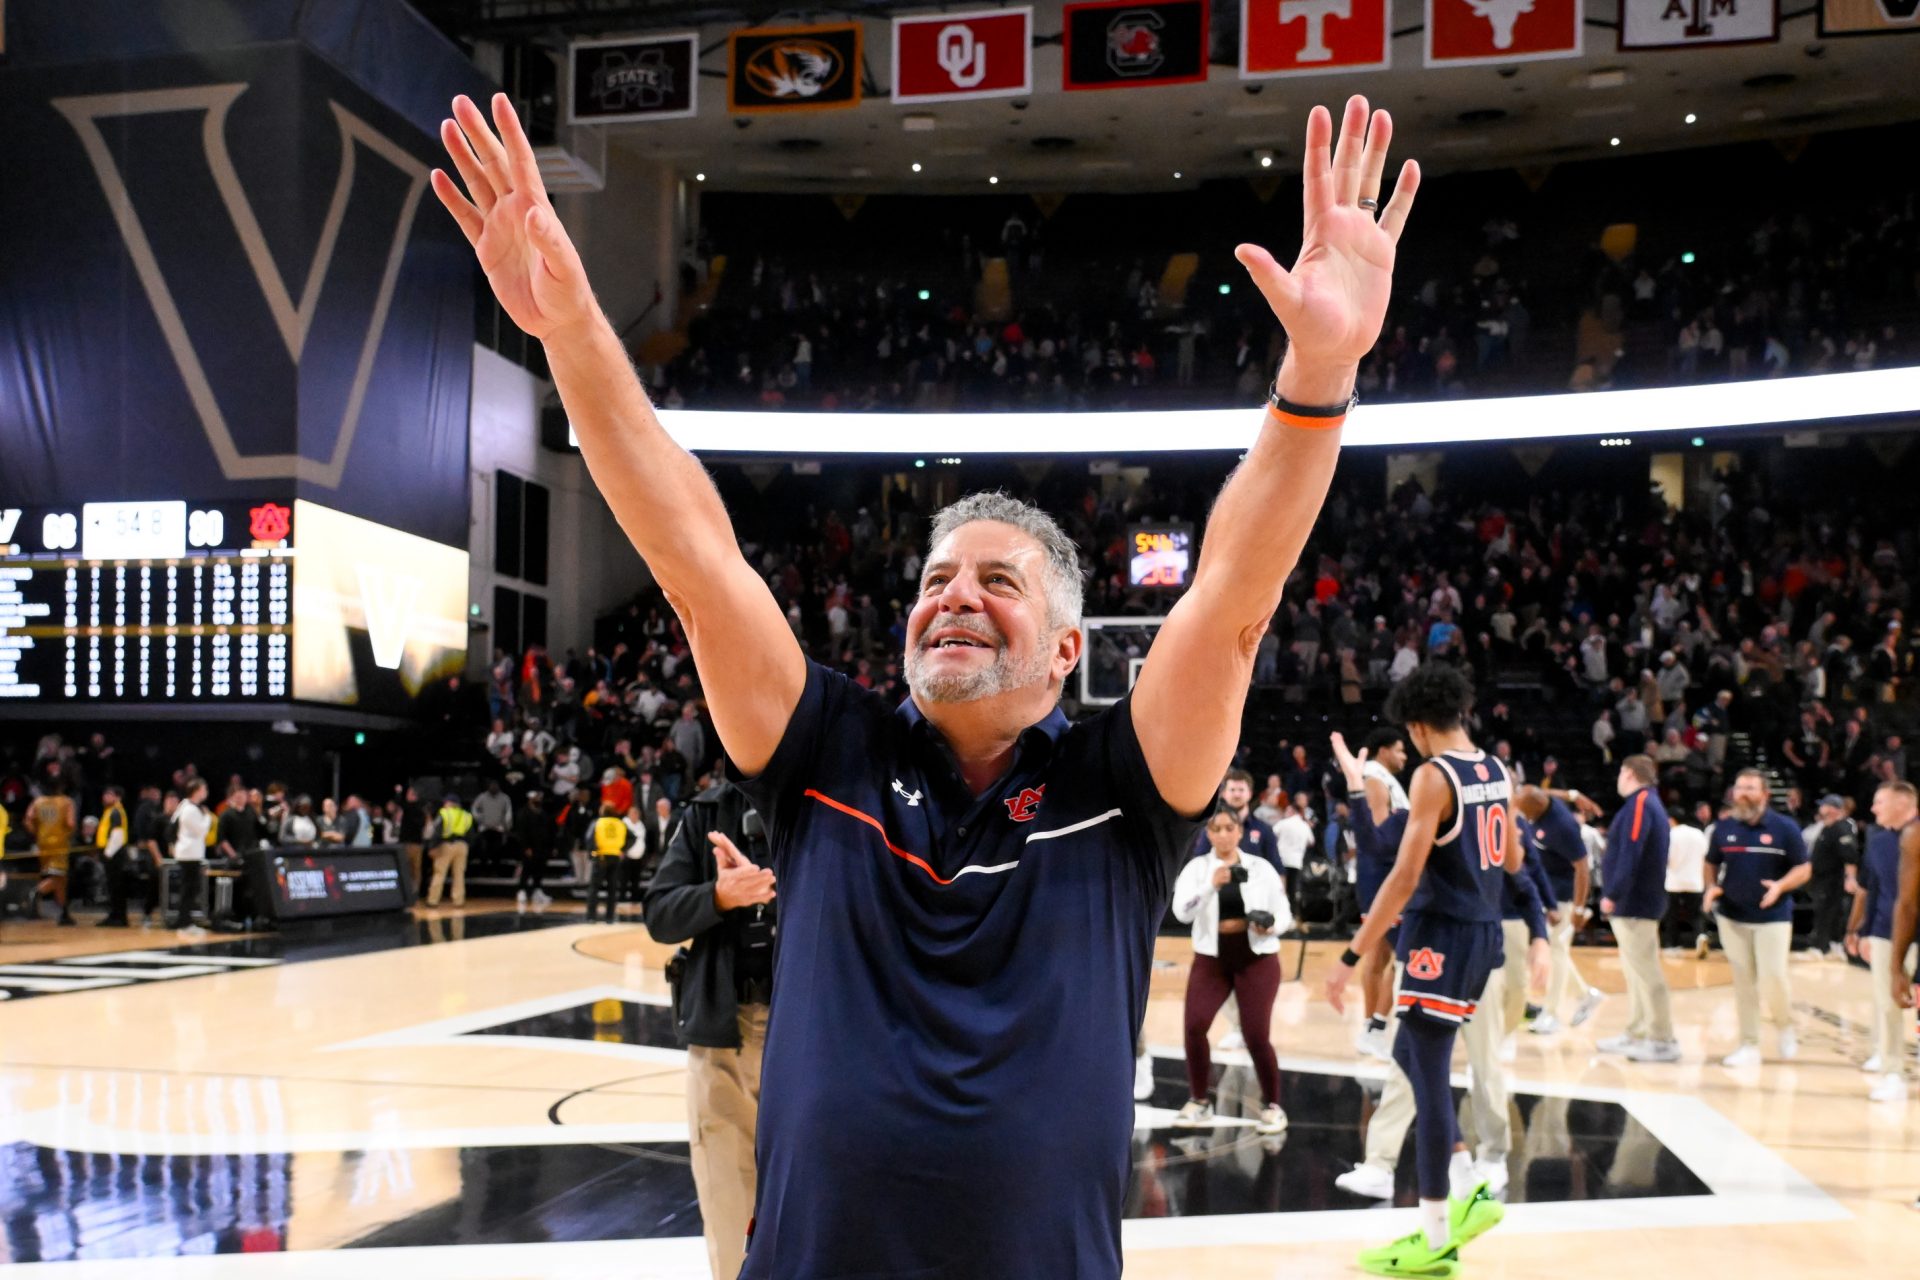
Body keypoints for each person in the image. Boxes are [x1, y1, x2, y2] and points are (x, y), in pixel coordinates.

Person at [435, 86, 1418, 1278]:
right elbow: (694, 558)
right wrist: (574, 329)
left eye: (999, 579)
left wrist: (1317, 375)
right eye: (937, 575)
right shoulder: (827, 749)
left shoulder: (1124, 785)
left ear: (1069, 650)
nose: (954, 592)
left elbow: (1235, 598)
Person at [1325, 664, 1547, 1277]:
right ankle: (1467, 1180)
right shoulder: (1496, 770)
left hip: (1439, 937)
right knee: (1414, 1060)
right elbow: (1508, 858)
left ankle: (1437, 1233)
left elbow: (1402, 877)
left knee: (1425, 1074)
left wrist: (1351, 956)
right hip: (1481, 932)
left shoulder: (1432, 775)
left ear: (1418, 726)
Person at [643, 781, 778, 1280]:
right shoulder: (706, 813)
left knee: (829, 1209)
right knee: (729, 1211)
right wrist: (719, 896)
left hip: (818, 1035)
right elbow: (659, 914)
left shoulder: (834, 801)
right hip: (727, 1031)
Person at [1169, 808, 1290, 1134]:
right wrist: (1211, 885)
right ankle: (1199, 1101)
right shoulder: (1197, 869)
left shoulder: (1261, 868)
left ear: (1239, 832)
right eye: (1215, 829)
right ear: (1207, 834)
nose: (1222, 834)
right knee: (1194, 1025)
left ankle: (1273, 1105)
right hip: (1212, 959)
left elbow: (1284, 914)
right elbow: (1182, 913)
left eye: (1228, 828)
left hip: (1256, 958)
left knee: (1255, 1035)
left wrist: (1271, 926)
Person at [1704, 768, 1812, 1067]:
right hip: (1732, 916)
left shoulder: (1785, 828)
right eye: (1739, 788)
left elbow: (1803, 869)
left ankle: (1784, 1026)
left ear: (1764, 794)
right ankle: (1748, 1043)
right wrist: (1711, 887)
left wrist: (1780, 886)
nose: (1742, 793)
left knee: (1773, 977)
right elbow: (1711, 861)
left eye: (1750, 788)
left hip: (1773, 917)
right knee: (1743, 981)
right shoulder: (1723, 828)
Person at [1595, 756, 1678, 1062]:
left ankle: (1663, 1038)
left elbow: (1632, 850)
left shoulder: (1642, 804)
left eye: (1620, 771)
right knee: (1635, 972)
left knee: (1646, 972)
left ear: (1629, 773)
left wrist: (1613, 893)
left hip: (1635, 902)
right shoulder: (1644, 803)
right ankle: (1637, 1030)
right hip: (1635, 902)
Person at [1514, 784, 1605, 1035]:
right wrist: (1575, 794)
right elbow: (1545, 792)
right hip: (1548, 893)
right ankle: (1587, 995)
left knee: (1557, 952)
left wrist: (1578, 908)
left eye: (1526, 813)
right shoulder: (1538, 800)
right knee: (1555, 950)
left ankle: (1552, 1013)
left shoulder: (1563, 827)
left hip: (1564, 896)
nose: (1525, 818)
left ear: (1536, 808)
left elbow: (1583, 868)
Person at [1847, 780, 1917, 1103]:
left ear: (1903, 804)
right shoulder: (1876, 841)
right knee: (1887, 1006)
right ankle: (1893, 1072)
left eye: (1879, 802)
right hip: (1887, 933)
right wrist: (1864, 931)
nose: (1873, 809)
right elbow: (1872, 890)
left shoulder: (1914, 837)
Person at [1350, 726, 1410, 1060]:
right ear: (1383, 750)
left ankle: (1370, 1029)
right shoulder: (1375, 778)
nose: (1404, 756)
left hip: (1378, 878)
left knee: (1379, 956)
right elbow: (1380, 837)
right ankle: (1377, 1025)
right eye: (1399, 750)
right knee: (1399, 957)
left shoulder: (1380, 778)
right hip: (1382, 879)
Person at [1807, 793, 1859, 960]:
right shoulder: (1828, 826)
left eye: (1823, 805)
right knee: (1827, 911)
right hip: (1822, 878)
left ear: (1832, 809)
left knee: (1827, 911)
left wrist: (1850, 878)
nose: (1820, 808)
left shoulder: (1841, 827)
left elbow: (1850, 856)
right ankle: (1830, 946)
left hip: (1832, 879)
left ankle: (1821, 947)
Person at [96, 786, 154, 927]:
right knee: (114, 887)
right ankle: (115, 914)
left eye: (109, 794)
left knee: (116, 887)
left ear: (117, 797)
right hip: (112, 853)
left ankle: (118, 917)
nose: (105, 797)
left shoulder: (116, 811)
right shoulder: (111, 811)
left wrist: (107, 854)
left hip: (114, 854)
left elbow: (117, 835)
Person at [26, 779, 78, 925]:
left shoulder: (38, 801)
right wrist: (69, 833)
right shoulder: (66, 802)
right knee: (57, 877)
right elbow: (70, 823)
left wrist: (37, 833)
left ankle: (64, 913)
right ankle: (36, 892)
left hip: (43, 844)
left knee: (61, 880)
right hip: (59, 844)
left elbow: (28, 819)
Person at [170, 778, 213, 933]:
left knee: (189, 889)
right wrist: (207, 817)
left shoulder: (185, 806)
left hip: (189, 853)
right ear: (196, 791)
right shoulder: (190, 809)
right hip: (189, 854)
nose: (206, 792)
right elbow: (201, 830)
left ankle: (184, 919)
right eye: (204, 789)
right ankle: (184, 921)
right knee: (189, 889)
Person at [1663, 811, 1709, 954]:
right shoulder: (1698, 833)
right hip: (1695, 880)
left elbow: (1667, 857)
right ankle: (1700, 936)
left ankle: (1671, 945)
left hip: (1673, 881)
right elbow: (1706, 855)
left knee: (1671, 914)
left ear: (1672, 819)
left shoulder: (1671, 834)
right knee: (1696, 914)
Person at [426, 794, 473, 908]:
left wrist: (432, 847)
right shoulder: (466, 816)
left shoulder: (444, 813)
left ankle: (433, 900)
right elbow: (472, 835)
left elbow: (437, 831)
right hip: (462, 846)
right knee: (459, 874)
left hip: (446, 845)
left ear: (449, 803)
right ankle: (459, 900)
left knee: (439, 873)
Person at [585, 801, 628, 922]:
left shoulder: (597, 823)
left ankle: (591, 917)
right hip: (615, 857)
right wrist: (623, 849)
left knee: (594, 888)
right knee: (612, 889)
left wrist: (592, 854)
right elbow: (632, 837)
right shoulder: (620, 823)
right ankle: (610, 917)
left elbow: (589, 839)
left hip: (601, 857)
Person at [513, 790, 555, 908]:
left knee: (539, 870)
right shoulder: (523, 813)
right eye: (536, 797)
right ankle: (521, 891)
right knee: (526, 870)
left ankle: (537, 891)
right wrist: (526, 847)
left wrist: (550, 846)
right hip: (529, 848)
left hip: (542, 847)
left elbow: (549, 831)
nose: (538, 799)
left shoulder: (543, 813)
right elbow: (521, 832)